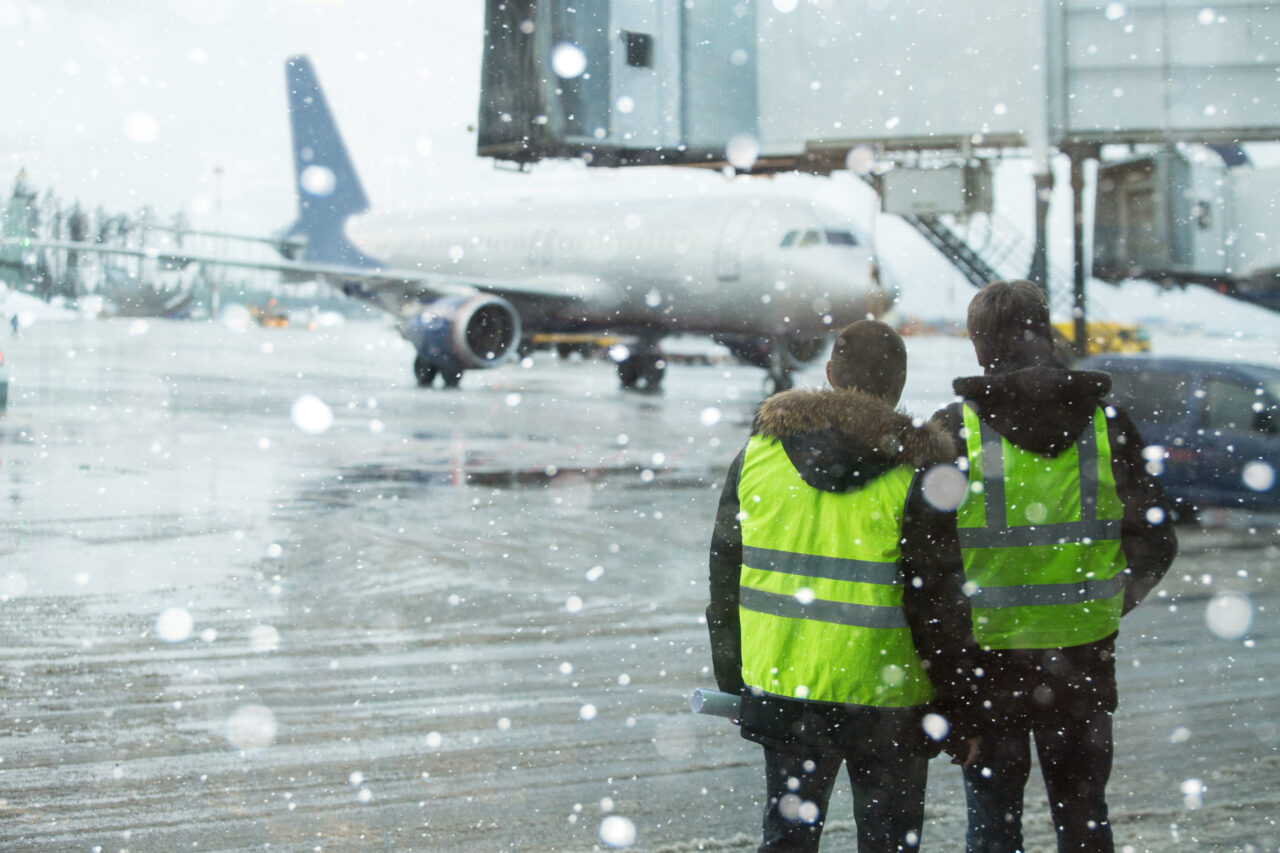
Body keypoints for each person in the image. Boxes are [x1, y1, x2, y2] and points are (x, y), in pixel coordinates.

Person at [707, 319, 979, 853]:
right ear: (899, 384)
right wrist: (959, 702)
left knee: (786, 839)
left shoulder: (756, 456)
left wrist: (735, 678)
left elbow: (724, 579)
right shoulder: (920, 478)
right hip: (888, 697)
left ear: (829, 374)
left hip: (786, 685)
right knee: (889, 842)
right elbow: (939, 609)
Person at [928, 280, 1178, 852]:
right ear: (1043, 332)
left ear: (980, 343)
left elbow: (927, 568)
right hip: (1083, 664)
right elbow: (1156, 538)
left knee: (993, 826)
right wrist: (1109, 599)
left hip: (988, 670)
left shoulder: (953, 431)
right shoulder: (1106, 424)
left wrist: (947, 677)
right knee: (1084, 816)